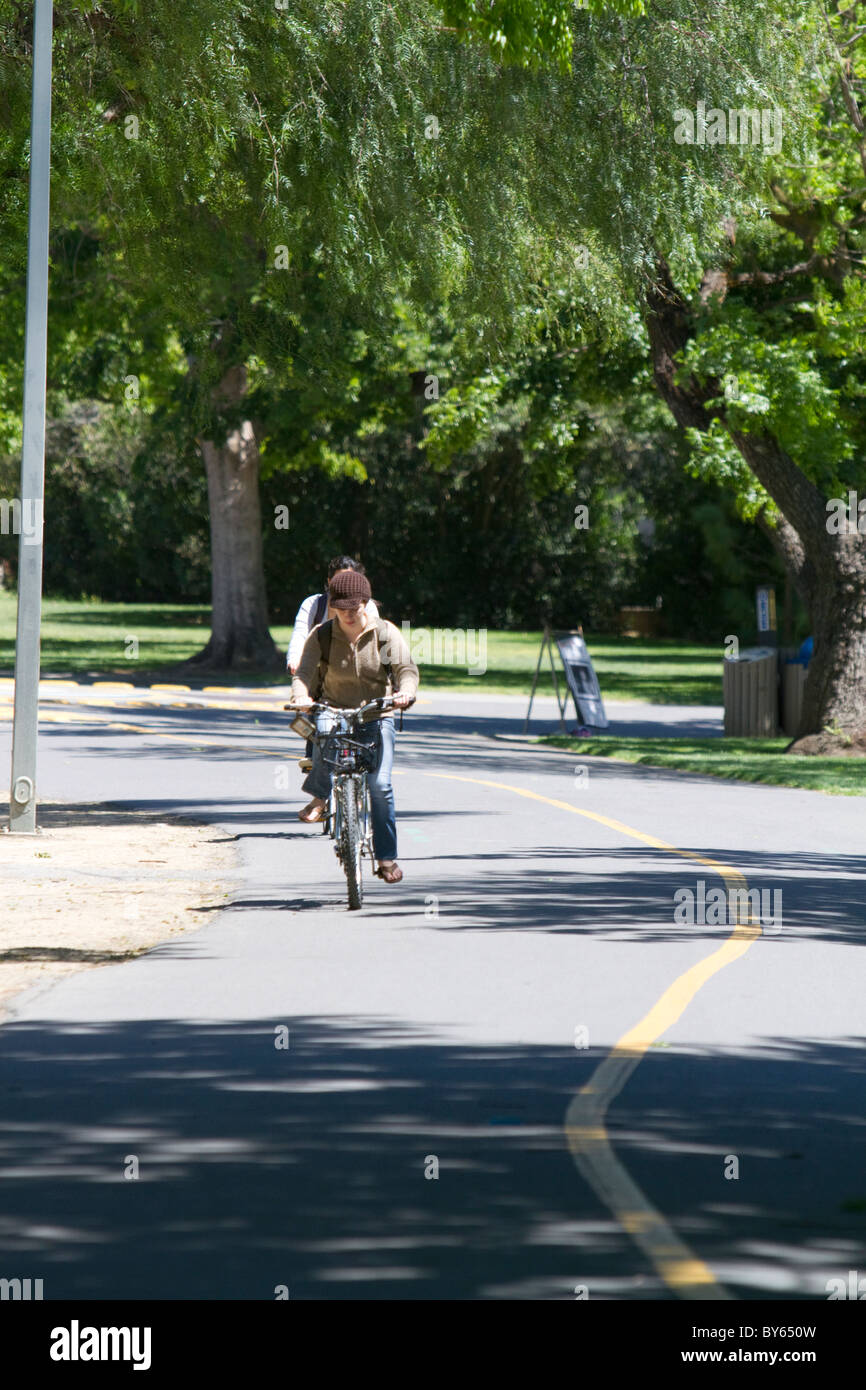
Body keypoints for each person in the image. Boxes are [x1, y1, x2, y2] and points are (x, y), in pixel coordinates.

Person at [288, 568, 418, 885]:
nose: (347, 614)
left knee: (380, 785)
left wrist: (406, 692)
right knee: (323, 733)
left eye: (353, 608)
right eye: (340, 607)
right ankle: (321, 796)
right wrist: (301, 696)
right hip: (334, 707)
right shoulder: (321, 635)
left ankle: (386, 858)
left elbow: (406, 670)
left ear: (365, 603)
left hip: (377, 713)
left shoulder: (385, 633)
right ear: (332, 604)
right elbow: (303, 674)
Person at [286, 556, 379, 674]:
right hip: (320, 670)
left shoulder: (368, 606)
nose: (344, 586)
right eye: (339, 580)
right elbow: (300, 634)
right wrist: (294, 659)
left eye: (349, 580)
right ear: (329, 582)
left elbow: (374, 639)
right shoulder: (313, 604)